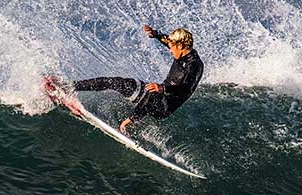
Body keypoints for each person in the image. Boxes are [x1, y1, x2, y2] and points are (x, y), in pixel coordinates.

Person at [63, 25, 204, 135]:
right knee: (116, 82)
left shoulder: (194, 66)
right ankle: (70, 86)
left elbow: (185, 89)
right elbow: (167, 41)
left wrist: (162, 88)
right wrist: (156, 34)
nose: (170, 50)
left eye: (172, 47)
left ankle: (127, 124)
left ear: (180, 46)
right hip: (158, 92)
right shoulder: (181, 49)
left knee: (152, 94)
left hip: (164, 106)